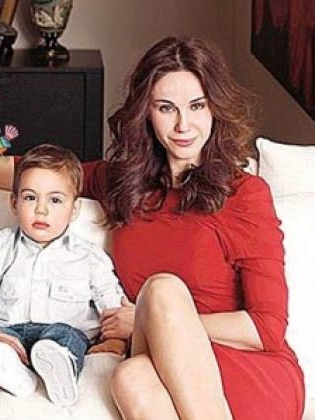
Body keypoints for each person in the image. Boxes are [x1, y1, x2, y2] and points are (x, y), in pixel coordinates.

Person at [85, 37, 304, 419]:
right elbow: (39, 172)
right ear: (146, 112)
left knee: (163, 292)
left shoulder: (244, 194)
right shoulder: (124, 184)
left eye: (197, 106)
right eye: (166, 108)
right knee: (131, 376)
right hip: (162, 369)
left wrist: (148, 320)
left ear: (215, 107)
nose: (183, 125)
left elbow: (266, 329)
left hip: (248, 370)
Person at [0, 144, 126, 407]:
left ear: (74, 210)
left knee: (65, 339)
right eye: (30, 198)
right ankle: (14, 374)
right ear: (14, 203)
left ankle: (62, 371)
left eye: (55, 200)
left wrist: (115, 341)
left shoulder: (89, 257)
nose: (41, 210)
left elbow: (112, 305)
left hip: (62, 333)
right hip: (10, 333)